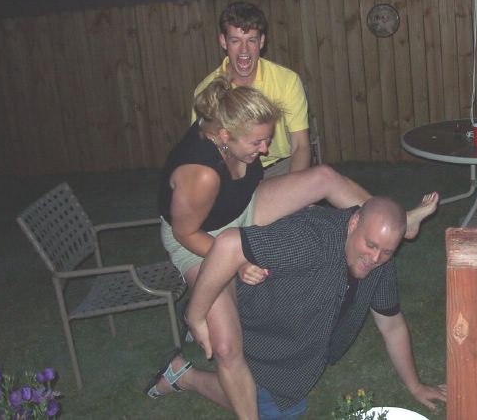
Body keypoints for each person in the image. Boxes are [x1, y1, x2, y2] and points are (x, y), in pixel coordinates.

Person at [148, 76, 438, 418]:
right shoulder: (200, 174)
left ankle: (398, 221)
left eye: (267, 139)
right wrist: (236, 265)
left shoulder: (233, 126)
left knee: (324, 177)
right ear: (225, 136)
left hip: (239, 206)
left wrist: (298, 200)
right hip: (198, 237)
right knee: (226, 346)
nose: (265, 150)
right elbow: (185, 233)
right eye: (258, 142)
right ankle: (190, 372)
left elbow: (262, 180)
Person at [181, 196, 446, 418]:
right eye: (371, 245)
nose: (375, 258)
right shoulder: (312, 239)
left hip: (298, 348)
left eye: (387, 251)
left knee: (287, 403)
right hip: (257, 335)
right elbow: (228, 243)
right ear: (354, 223)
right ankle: (183, 376)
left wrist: (415, 385)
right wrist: (195, 315)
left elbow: (391, 325)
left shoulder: (379, 263)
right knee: (277, 409)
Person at [193, 1, 310, 177]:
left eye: (251, 40)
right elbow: (203, 150)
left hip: (280, 168)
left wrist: (295, 186)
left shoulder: (287, 81)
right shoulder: (206, 90)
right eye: (235, 41)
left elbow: (301, 145)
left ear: (261, 41)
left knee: (325, 175)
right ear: (223, 41)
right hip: (231, 172)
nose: (244, 50)